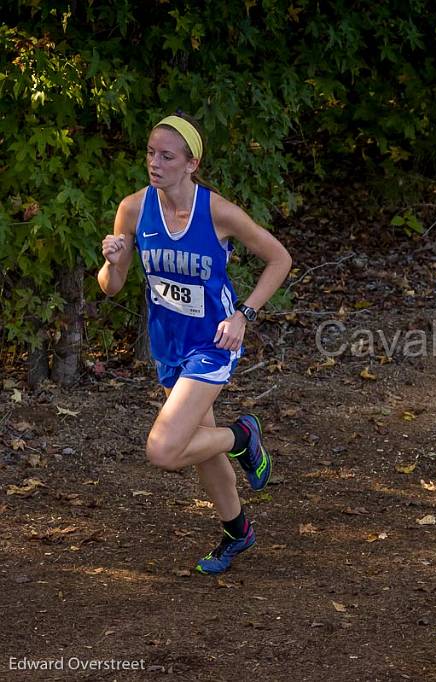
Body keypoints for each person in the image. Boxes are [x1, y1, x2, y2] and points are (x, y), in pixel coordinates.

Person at [97, 112, 292, 575]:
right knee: (198, 444)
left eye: (166, 156)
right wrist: (113, 262)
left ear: (191, 164)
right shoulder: (133, 209)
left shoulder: (216, 211)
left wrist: (244, 315)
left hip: (213, 341)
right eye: (150, 153)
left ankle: (243, 436)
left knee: (164, 450)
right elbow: (110, 286)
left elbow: (279, 259)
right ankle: (237, 529)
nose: (154, 163)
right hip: (169, 345)